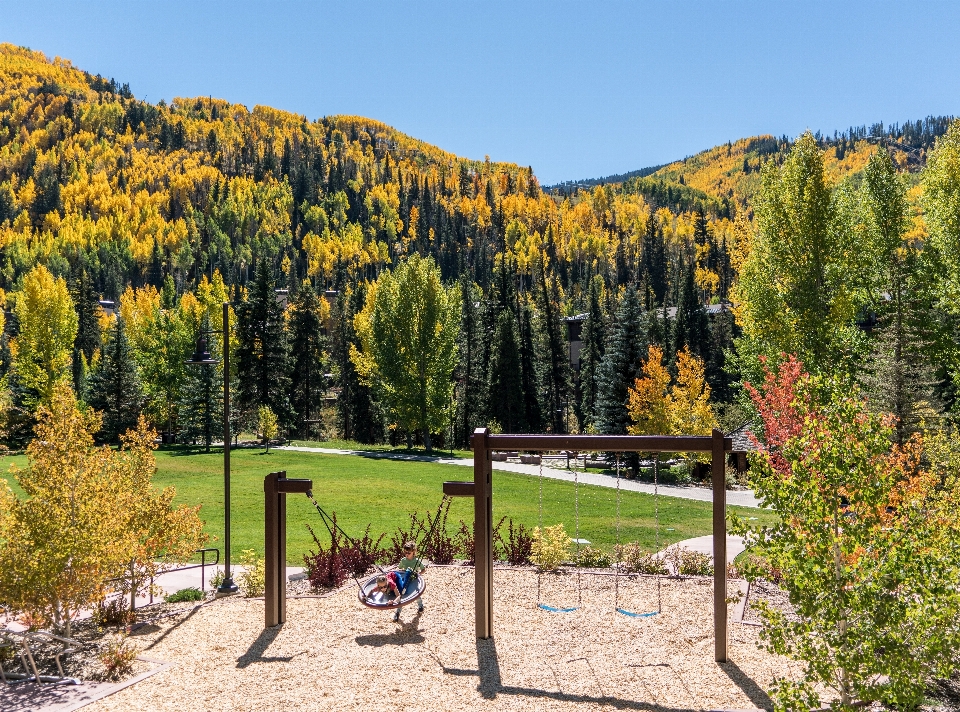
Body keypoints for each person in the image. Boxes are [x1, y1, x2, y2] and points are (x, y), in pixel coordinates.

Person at [392, 541, 426, 621]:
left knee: (416, 594)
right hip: (405, 579)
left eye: (409, 553)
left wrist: (418, 574)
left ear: (413, 552)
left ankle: (420, 606)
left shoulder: (416, 561)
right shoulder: (404, 560)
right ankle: (397, 612)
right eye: (405, 552)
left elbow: (424, 569)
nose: (407, 554)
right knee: (402, 595)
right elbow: (400, 569)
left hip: (414, 580)